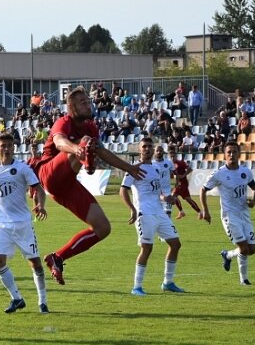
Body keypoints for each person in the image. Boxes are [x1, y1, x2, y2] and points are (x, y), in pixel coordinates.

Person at [28, 87, 145, 285]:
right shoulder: (63, 121)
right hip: (49, 174)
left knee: (103, 228)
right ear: (71, 107)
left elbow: (103, 150)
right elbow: (59, 142)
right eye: (82, 102)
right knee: (85, 142)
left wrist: (128, 168)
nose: (88, 104)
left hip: (67, 185)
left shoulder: (91, 127)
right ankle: (87, 162)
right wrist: (78, 150)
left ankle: (57, 258)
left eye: (88, 101)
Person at [0, 133, 50, 314]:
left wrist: (40, 204)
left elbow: (39, 189)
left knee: (36, 264)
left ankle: (43, 302)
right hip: (2, 224)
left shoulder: (23, 168)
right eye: (3, 146)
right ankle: (16, 298)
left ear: (14, 148)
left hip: (23, 223)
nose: (6, 149)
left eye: (9, 145)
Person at [120, 137, 185, 295]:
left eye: (150, 146)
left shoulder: (156, 169)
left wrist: (166, 198)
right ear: (139, 150)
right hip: (144, 213)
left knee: (175, 244)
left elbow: (158, 193)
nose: (147, 149)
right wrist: (132, 209)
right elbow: (123, 190)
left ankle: (168, 283)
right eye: (144, 146)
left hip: (159, 212)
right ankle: (137, 287)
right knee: (147, 248)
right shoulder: (134, 168)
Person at [199, 141, 255, 286]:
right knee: (244, 248)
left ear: (239, 154)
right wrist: (205, 210)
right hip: (229, 216)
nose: (231, 154)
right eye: (229, 152)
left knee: (252, 250)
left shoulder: (245, 172)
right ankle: (243, 280)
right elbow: (203, 190)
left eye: (234, 152)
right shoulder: (219, 174)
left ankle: (228, 255)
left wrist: (253, 202)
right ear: (225, 155)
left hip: (244, 214)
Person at [170, 147, 201, 218]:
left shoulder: (180, 163)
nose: (172, 158)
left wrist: (183, 175)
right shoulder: (170, 164)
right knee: (188, 199)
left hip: (182, 183)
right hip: (177, 183)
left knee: (173, 196)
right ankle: (200, 212)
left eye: (173, 156)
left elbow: (190, 169)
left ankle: (181, 212)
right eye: (171, 156)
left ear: (176, 156)